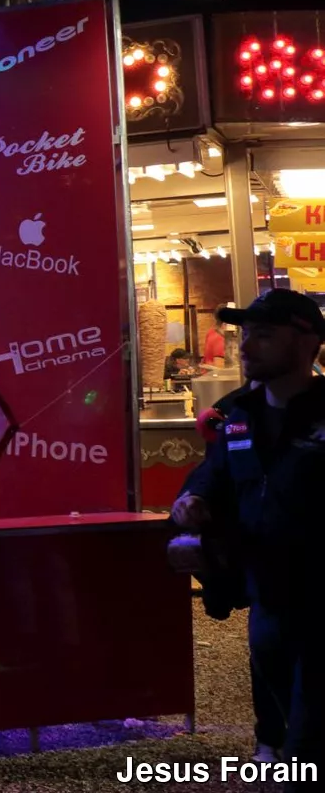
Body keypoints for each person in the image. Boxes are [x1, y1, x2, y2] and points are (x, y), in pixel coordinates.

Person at [174, 290, 325, 779]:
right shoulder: (237, 414)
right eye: (245, 334)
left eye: (264, 334)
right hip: (267, 591)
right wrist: (192, 500)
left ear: (308, 342)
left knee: (309, 734)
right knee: (279, 696)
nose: (246, 345)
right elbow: (213, 475)